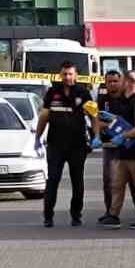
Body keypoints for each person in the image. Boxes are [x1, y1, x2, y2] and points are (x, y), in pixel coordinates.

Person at [36, 60, 94, 227]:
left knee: (78, 182)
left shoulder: (83, 93)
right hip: (56, 145)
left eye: (70, 74)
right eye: (65, 74)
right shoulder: (52, 92)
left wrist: (96, 135)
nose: (67, 77)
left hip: (77, 145)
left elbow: (93, 115)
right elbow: (44, 116)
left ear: (75, 75)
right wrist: (37, 138)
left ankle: (76, 215)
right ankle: (48, 216)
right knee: (53, 180)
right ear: (60, 75)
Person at [98, 72, 135, 229]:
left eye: (121, 80)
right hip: (124, 151)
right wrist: (111, 119)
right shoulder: (125, 101)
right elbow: (123, 121)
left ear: (128, 82)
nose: (117, 84)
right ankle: (113, 215)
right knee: (117, 184)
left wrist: (122, 136)